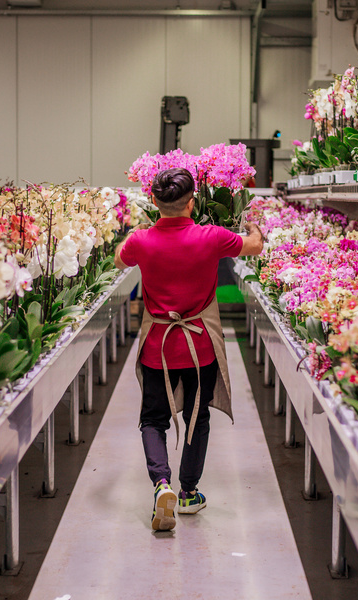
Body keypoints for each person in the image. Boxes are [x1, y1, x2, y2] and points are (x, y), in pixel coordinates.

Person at [115, 167, 264, 531]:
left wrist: (134, 233)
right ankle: (188, 493)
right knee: (197, 418)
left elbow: (120, 258)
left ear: (154, 201)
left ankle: (160, 483)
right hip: (200, 345)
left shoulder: (142, 242)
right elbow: (254, 246)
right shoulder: (210, 237)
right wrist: (254, 226)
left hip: (157, 348)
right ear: (192, 203)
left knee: (153, 419)